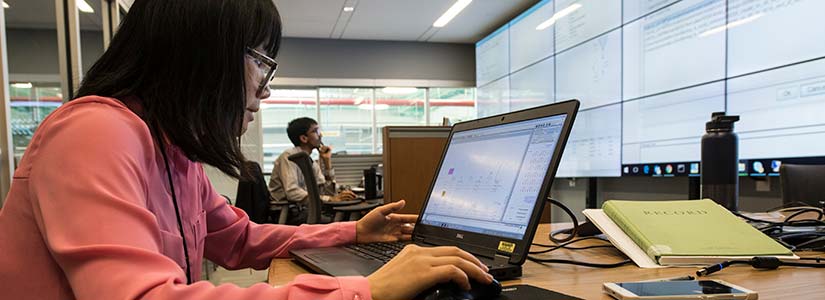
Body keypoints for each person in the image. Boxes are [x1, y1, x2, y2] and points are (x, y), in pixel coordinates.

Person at [0, 0, 492, 299]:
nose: (266, 90)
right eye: (263, 64)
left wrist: (354, 230)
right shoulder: (95, 134)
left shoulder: (174, 153)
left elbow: (238, 240)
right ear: (204, 53)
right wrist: (366, 289)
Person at [268, 117, 357, 224]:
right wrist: (329, 199)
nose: (320, 135)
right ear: (304, 138)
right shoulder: (290, 157)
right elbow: (292, 192)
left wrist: (327, 162)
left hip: (305, 210)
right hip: (288, 213)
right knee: (340, 220)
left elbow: (328, 193)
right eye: (315, 131)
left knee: (349, 215)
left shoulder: (311, 162)